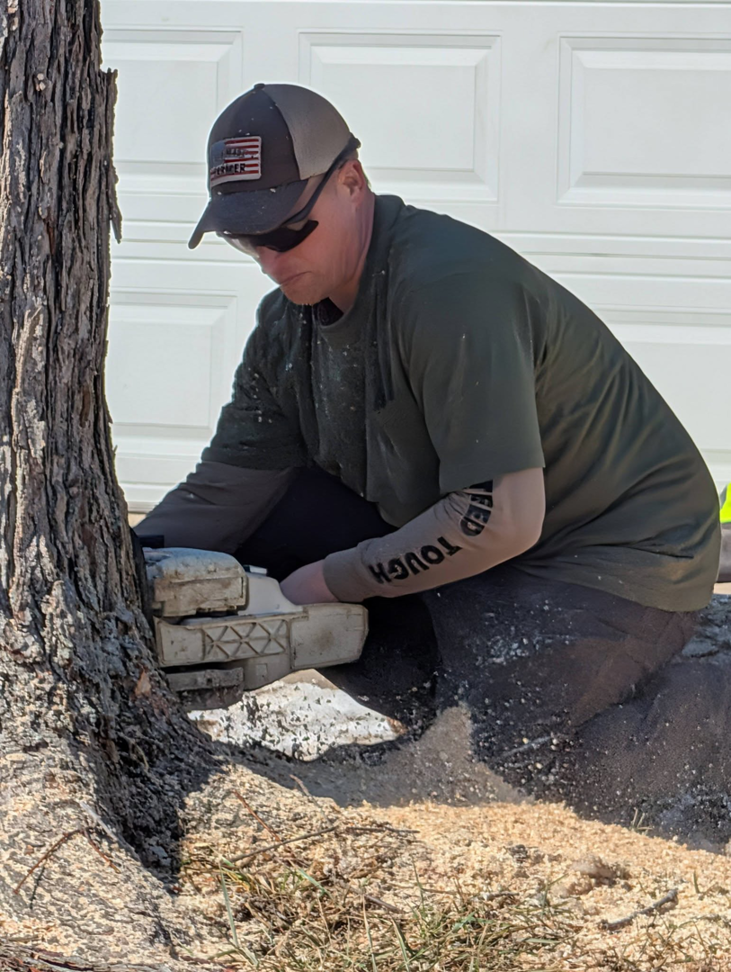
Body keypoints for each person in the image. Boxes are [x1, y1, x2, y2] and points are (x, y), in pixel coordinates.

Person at [136, 83, 728, 844]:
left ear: (352, 182)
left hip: (615, 551)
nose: (268, 259)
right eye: (245, 239)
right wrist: (118, 576)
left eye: (288, 230)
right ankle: (472, 697)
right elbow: (227, 491)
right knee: (256, 535)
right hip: (480, 552)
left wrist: (327, 582)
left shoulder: (445, 287)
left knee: (507, 768)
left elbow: (497, 515)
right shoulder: (286, 329)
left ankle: (708, 712)